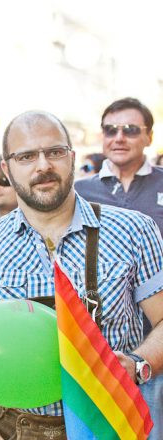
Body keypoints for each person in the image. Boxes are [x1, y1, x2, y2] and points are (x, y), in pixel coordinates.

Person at [0, 110, 163, 440]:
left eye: (54, 152)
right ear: (6, 168)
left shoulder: (133, 229)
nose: (43, 165)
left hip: (109, 423)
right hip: (12, 429)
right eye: (26, 156)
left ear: (72, 158)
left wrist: (138, 363)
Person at [75, 97, 163, 440]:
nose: (119, 137)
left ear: (149, 136)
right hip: (102, 346)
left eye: (130, 129)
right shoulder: (80, 191)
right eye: (111, 130)